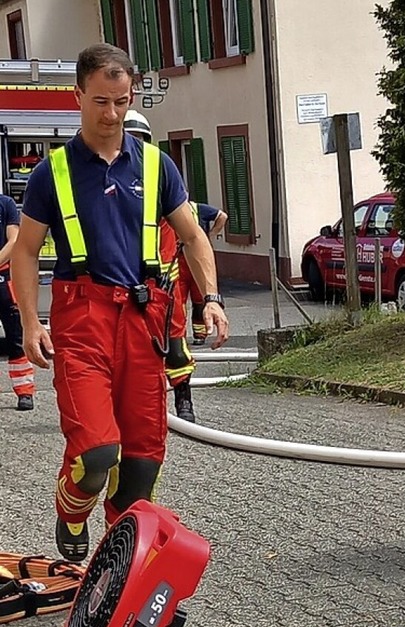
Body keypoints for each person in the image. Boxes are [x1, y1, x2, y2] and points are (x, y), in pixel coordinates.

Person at [11, 43, 229, 562]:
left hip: (143, 319)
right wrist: (28, 322)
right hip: (82, 319)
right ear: (79, 96)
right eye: (101, 102)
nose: (112, 114)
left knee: (139, 467)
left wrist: (212, 299)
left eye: (122, 102)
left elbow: (194, 237)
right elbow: (24, 250)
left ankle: (116, 571)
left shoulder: (156, 166)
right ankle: (70, 509)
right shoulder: (52, 173)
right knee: (96, 454)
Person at [123, 109, 200, 423]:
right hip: (125, 285)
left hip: (165, 289)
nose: (134, 146)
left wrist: (209, 297)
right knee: (131, 351)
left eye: (140, 140)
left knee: (175, 346)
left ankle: (184, 402)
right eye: (131, 139)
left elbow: (190, 236)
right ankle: (140, 409)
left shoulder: (164, 181)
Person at [0, 194, 35, 411]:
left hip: (4, 280)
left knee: (16, 339)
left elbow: (14, 240)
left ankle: (25, 393)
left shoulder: (6, 204)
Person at [180, 202, 228, 346]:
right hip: (178, 258)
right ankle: (178, 335)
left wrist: (211, 235)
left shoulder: (197, 208)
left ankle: (200, 333)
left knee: (200, 298)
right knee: (177, 299)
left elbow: (222, 216)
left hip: (195, 256)